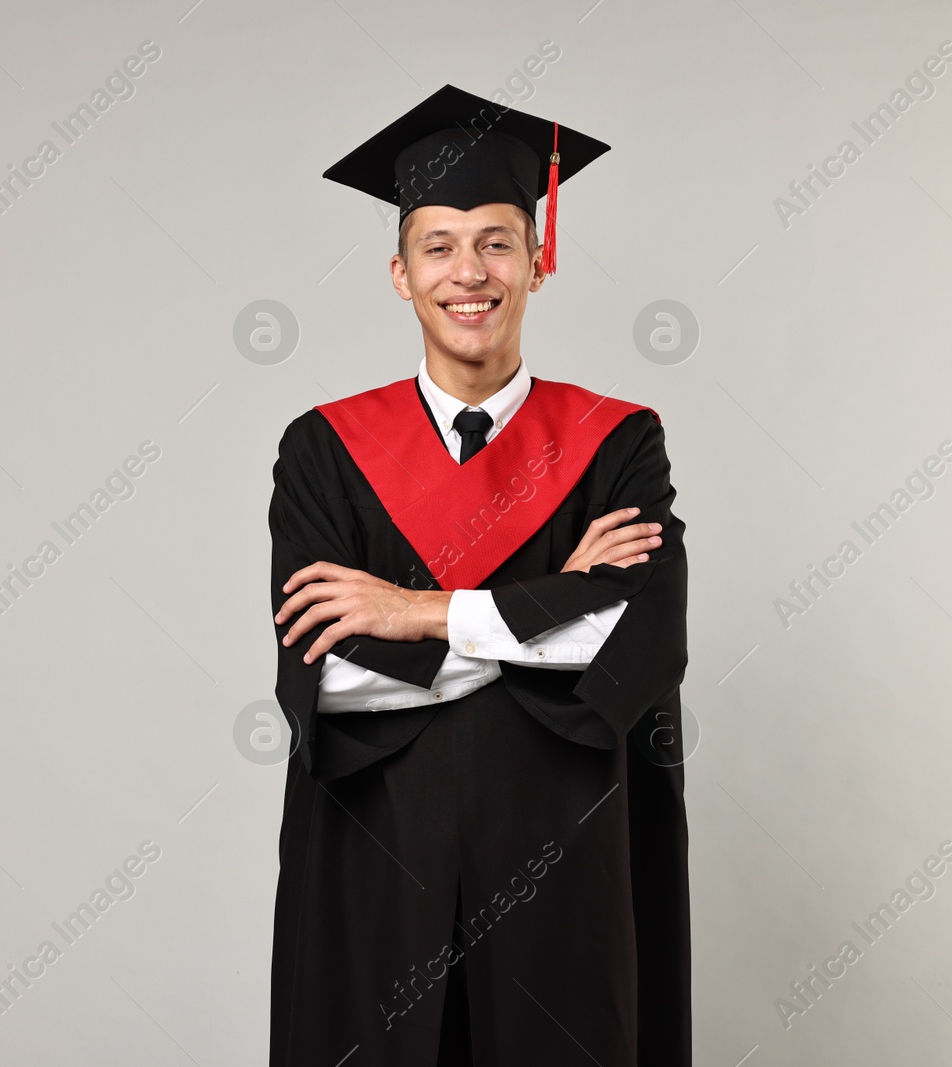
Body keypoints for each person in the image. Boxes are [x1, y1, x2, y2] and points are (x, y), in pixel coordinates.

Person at [267, 84, 690, 1066]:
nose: (471, 271)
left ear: (539, 263)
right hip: (379, 866)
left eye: (498, 241)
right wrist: (547, 611)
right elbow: (329, 677)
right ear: (400, 273)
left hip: (564, 867)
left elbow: (637, 643)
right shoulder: (325, 450)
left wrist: (415, 612)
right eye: (440, 245)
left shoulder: (616, 442)